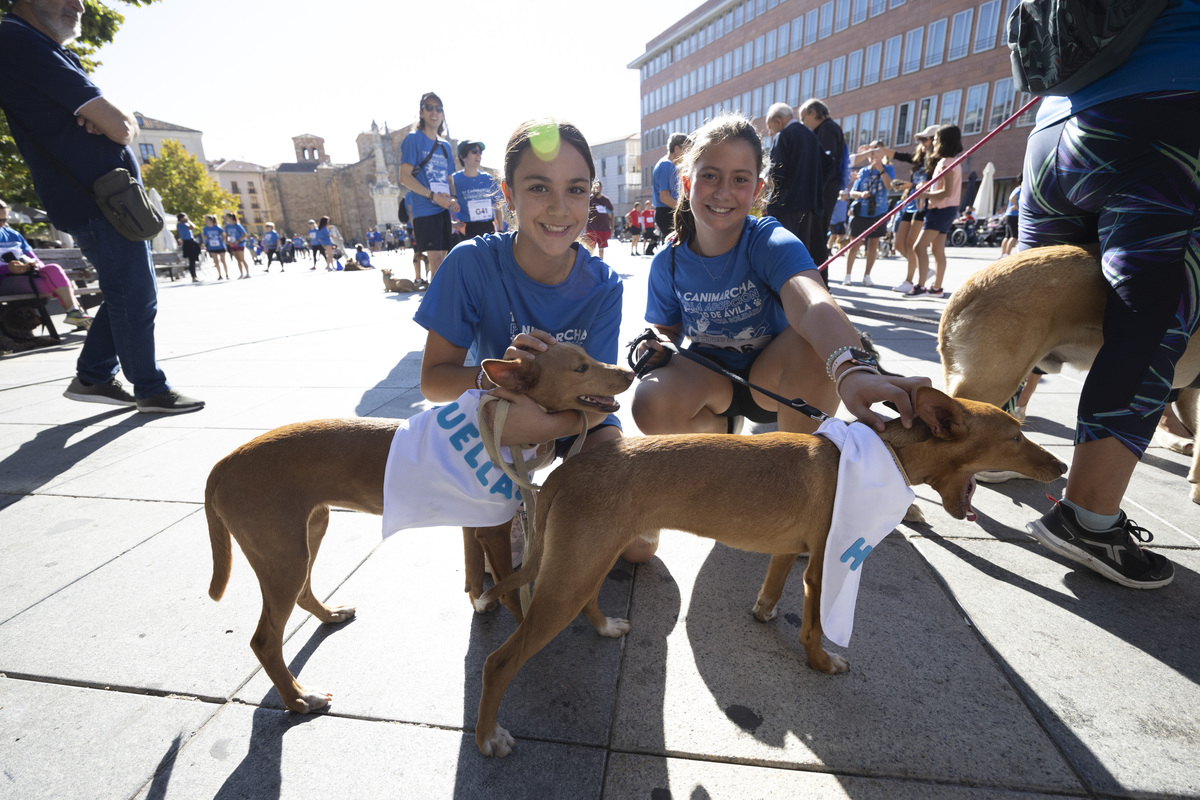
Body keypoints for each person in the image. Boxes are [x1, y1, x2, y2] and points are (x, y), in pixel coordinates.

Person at [415, 118, 653, 564]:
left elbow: (596, 397)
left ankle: (544, 502)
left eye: (577, 190)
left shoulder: (602, 285)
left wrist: (547, 426)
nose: (561, 209)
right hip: (501, 424)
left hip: (573, 419)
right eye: (540, 188)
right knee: (501, 562)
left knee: (637, 546)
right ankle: (522, 503)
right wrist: (498, 380)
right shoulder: (471, 263)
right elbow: (433, 382)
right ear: (507, 196)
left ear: (592, 195)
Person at [1019, 0, 1200, 589]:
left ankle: (990, 445)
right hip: (1171, 110)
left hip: (1052, 129)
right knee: (1148, 313)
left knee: (1028, 309)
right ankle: (1089, 518)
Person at [630, 114, 929, 441]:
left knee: (813, 343)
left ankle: (798, 464)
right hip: (712, 378)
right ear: (687, 184)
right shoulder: (667, 262)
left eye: (740, 179)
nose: (724, 192)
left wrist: (852, 368)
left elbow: (813, 301)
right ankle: (722, 435)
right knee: (648, 402)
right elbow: (667, 328)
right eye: (711, 176)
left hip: (777, 381)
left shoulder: (768, 240)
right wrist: (657, 341)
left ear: (758, 189)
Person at [0, 0, 203, 413]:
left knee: (127, 291)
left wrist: (112, 119)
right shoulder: (18, 40)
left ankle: (93, 376)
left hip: (106, 198)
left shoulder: (40, 44)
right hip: (97, 199)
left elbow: (121, 121)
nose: (78, 6)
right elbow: (122, 126)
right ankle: (149, 387)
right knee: (136, 294)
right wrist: (110, 121)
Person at [865, 126, 936, 294]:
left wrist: (910, 185)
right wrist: (879, 150)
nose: (922, 143)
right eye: (920, 140)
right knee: (898, 244)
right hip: (910, 201)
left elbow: (934, 184)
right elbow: (898, 155)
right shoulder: (919, 158)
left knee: (912, 244)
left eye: (925, 139)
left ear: (935, 140)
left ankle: (910, 280)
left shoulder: (937, 160)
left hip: (923, 203)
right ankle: (923, 270)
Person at [0, 199, 91, 328]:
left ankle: (74, 312)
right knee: (60, 284)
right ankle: (75, 312)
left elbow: (35, 260)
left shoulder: (13, 234)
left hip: (26, 277)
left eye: (5, 220)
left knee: (53, 268)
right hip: (4, 281)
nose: (3, 224)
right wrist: (7, 269)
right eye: (0, 220)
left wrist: (33, 265)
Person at [399, 91, 460, 282]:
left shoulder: (445, 146)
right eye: (429, 107)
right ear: (421, 113)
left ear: (443, 114)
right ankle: (439, 307)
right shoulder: (413, 139)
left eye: (438, 108)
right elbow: (404, 177)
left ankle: (438, 303)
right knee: (436, 260)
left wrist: (454, 199)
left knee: (445, 258)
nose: (434, 112)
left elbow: (449, 178)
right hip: (425, 208)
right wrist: (433, 196)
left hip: (442, 209)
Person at [906, 124, 963, 299]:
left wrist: (924, 193)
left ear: (943, 142)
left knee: (919, 246)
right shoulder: (953, 162)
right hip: (947, 209)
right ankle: (937, 287)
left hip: (940, 209)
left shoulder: (946, 163)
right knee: (938, 250)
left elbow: (946, 191)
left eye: (937, 139)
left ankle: (921, 285)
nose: (934, 142)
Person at [764, 102, 823, 259]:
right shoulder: (811, 135)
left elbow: (777, 171)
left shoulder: (783, 135)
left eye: (771, 128)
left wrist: (765, 187)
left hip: (785, 203)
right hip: (808, 203)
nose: (771, 133)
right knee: (802, 250)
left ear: (778, 121)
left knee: (782, 250)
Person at [800, 98, 848, 272]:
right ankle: (820, 279)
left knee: (817, 236)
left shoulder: (826, 129)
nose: (803, 123)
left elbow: (825, 162)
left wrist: (813, 190)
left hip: (824, 189)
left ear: (813, 113)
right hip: (826, 187)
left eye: (803, 118)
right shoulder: (829, 128)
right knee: (816, 235)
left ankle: (821, 281)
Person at [841, 148, 894, 286]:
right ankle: (847, 275)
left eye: (877, 153)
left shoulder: (888, 169)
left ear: (882, 154)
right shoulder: (864, 171)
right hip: (861, 212)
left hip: (878, 213)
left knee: (873, 245)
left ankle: (867, 276)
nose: (873, 156)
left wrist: (881, 169)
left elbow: (889, 186)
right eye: (872, 153)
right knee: (854, 245)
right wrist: (861, 194)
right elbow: (852, 192)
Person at [452, 139, 502, 240]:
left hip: (488, 228)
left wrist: (500, 230)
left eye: (480, 152)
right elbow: (444, 203)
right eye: (474, 151)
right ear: (462, 156)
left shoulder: (488, 178)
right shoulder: (454, 180)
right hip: (467, 230)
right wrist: (451, 224)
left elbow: (498, 204)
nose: (479, 155)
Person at [652, 131, 689, 238]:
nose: (688, 155)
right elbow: (664, 197)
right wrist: (685, 212)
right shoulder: (666, 165)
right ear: (677, 148)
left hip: (666, 211)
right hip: (667, 212)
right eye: (686, 150)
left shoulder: (668, 165)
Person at [584, 180, 614, 259]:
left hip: (603, 229)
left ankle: (601, 264)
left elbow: (611, 214)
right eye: (595, 187)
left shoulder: (606, 201)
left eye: (598, 187)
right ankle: (588, 264)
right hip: (592, 228)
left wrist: (612, 227)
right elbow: (584, 213)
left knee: (601, 248)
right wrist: (585, 228)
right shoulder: (589, 200)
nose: (597, 188)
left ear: (601, 188)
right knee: (590, 248)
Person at [201, 215, 229, 279]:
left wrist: (221, 241)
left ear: (211, 220)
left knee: (223, 260)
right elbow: (205, 236)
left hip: (220, 246)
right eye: (205, 220)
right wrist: (209, 239)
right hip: (212, 247)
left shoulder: (217, 227)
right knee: (216, 261)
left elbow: (223, 235)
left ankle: (227, 274)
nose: (206, 221)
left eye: (207, 220)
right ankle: (220, 275)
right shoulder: (205, 228)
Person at [174, 212, 201, 282]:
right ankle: (194, 276)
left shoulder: (182, 225)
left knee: (193, 260)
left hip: (190, 242)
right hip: (188, 243)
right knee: (192, 260)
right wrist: (188, 221)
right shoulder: (181, 225)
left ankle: (194, 275)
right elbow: (193, 227)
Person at [224, 212, 249, 279]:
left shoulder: (237, 225)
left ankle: (247, 273)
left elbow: (245, 235)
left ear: (231, 218)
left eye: (227, 217)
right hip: (232, 244)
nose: (225, 218)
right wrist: (228, 241)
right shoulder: (227, 226)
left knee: (242, 259)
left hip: (239, 244)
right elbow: (226, 235)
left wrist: (238, 241)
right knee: (238, 260)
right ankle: (241, 274)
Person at [1000, 176, 1021, 257]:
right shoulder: (1020, 190)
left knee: (1007, 236)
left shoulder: (1016, 189)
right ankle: (1007, 254)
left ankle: (1003, 254)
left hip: (1009, 215)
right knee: (1014, 236)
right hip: (1014, 215)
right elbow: (1011, 198)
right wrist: (1016, 205)